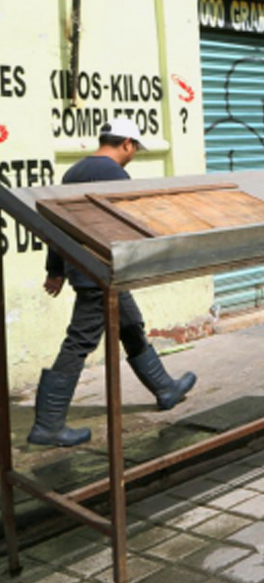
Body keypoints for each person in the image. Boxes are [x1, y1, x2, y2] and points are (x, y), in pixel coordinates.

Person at [33, 119, 197, 447]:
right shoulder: (116, 176)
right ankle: (48, 424)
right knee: (79, 342)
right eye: (135, 148)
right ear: (126, 144)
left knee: (131, 325)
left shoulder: (72, 173)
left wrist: (56, 269)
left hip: (85, 268)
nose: (133, 155)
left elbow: (57, 226)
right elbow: (127, 228)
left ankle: (165, 389)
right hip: (102, 272)